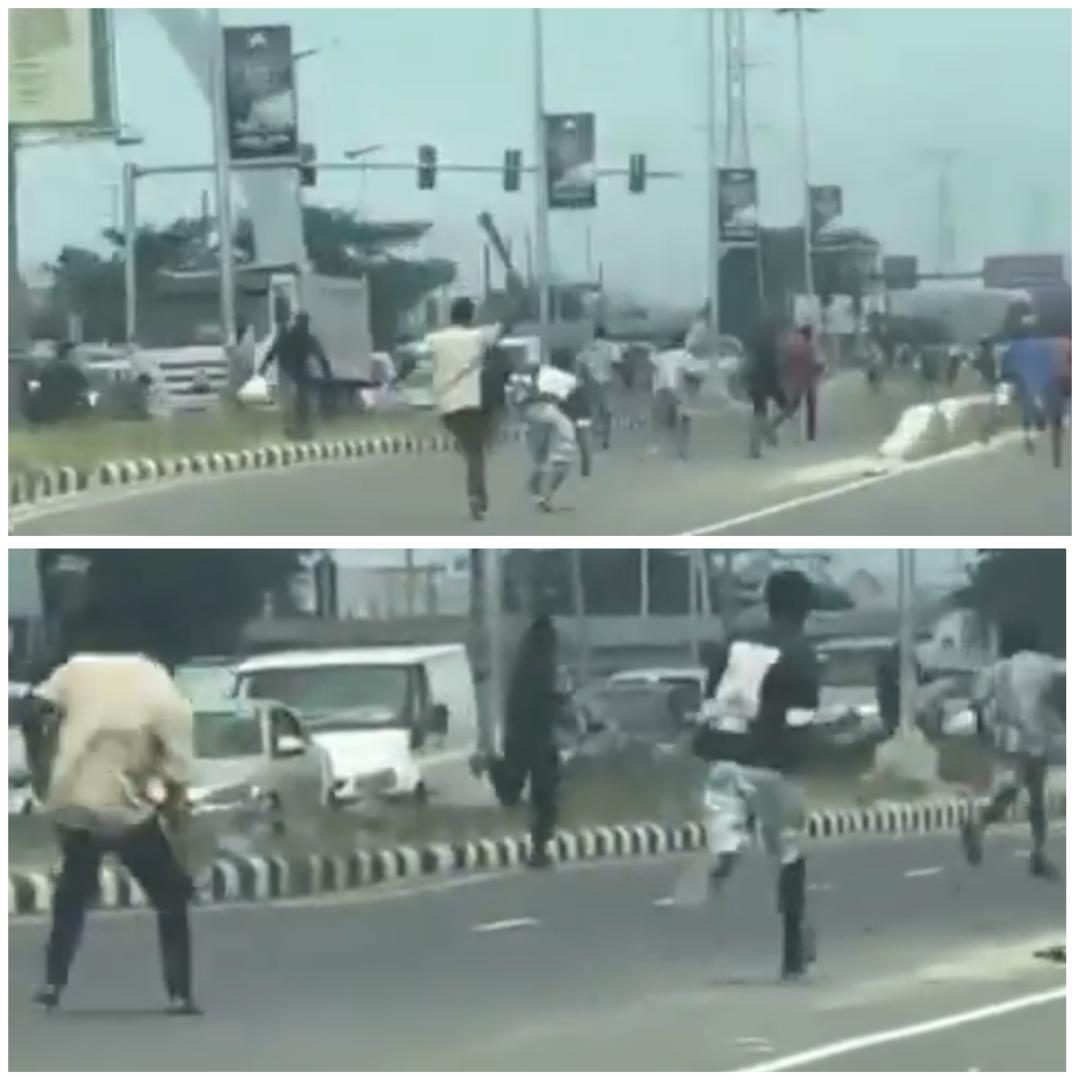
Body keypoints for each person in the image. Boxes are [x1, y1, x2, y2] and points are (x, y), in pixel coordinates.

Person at [26, 652, 199, 1014]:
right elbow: (178, 776)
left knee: (71, 897)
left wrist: (40, 769)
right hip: (127, 811)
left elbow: (32, 710)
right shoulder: (167, 699)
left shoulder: (77, 669)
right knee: (170, 898)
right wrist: (173, 813)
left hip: (73, 800)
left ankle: (53, 983)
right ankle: (179, 993)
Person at [692, 570, 821, 980]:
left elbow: (712, 699)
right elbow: (800, 722)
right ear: (805, 610)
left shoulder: (734, 645)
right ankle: (792, 952)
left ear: (767, 603)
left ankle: (725, 849)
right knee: (789, 855)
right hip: (770, 767)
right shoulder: (800, 653)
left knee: (727, 820)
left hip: (722, 761)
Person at [960, 623, 1065, 881]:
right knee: (1036, 800)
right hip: (1034, 738)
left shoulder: (998, 669)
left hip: (1005, 739)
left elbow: (976, 703)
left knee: (1011, 792)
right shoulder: (1045, 665)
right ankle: (1037, 854)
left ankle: (980, 824)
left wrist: (983, 734)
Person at [426, 289, 523, 521]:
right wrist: (516, 295)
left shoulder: (435, 339)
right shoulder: (478, 337)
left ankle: (477, 493)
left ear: (451, 316)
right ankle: (477, 497)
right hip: (475, 402)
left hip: (447, 406)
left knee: (472, 451)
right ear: (471, 317)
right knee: (476, 452)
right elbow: (505, 326)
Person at [490, 615, 565, 868]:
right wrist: (557, 702)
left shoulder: (523, 666)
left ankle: (539, 849)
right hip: (536, 739)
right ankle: (539, 847)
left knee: (520, 791)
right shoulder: (542, 667)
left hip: (521, 738)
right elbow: (541, 703)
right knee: (544, 796)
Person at [511, 358, 582, 511]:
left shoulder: (543, 376)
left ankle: (539, 492)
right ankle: (544, 495)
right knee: (562, 458)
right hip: (546, 414)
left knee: (543, 458)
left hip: (534, 414)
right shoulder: (568, 381)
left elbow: (520, 401)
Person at [258, 310, 333, 440]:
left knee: (303, 398)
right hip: (288, 373)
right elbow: (272, 353)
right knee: (294, 398)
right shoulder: (289, 337)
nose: (305, 326)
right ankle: (294, 424)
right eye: (303, 322)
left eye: (305, 323)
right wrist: (262, 370)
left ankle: (301, 425)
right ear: (299, 323)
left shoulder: (305, 338)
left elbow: (321, 357)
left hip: (297, 372)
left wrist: (327, 373)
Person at [1001, 315, 1063, 456]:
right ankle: (1034, 429)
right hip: (1036, 380)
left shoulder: (1016, 345)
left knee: (1027, 407)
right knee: (1034, 405)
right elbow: (1049, 362)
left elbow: (1009, 362)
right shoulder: (1042, 344)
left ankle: (1029, 435)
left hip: (1023, 380)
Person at [745, 316, 789, 458]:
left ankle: (756, 446)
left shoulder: (756, 342)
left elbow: (749, 363)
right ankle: (768, 432)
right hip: (769, 382)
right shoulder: (771, 345)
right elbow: (773, 368)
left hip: (755, 382)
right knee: (786, 409)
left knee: (759, 414)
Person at [648, 333, 697, 460]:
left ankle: (655, 446)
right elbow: (691, 372)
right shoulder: (686, 355)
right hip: (678, 389)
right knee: (685, 420)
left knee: (659, 422)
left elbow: (652, 360)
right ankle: (683, 451)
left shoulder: (660, 356)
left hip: (662, 389)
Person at [575, 325, 619, 451]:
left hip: (591, 382)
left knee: (592, 410)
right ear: (605, 335)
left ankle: (590, 436)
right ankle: (606, 440)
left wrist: (579, 380)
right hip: (605, 382)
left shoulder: (587, 347)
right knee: (607, 412)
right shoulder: (612, 347)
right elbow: (616, 364)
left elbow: (579, 364)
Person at [782, 323, 823, 440]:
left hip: (797, 383)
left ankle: (775, 424)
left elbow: (786, 364)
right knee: (811, 409)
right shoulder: (812, 347)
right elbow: (819, 365)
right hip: (810, 382)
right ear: (810, 335)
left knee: (792, 407)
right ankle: (811, 435)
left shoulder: (793, 347)